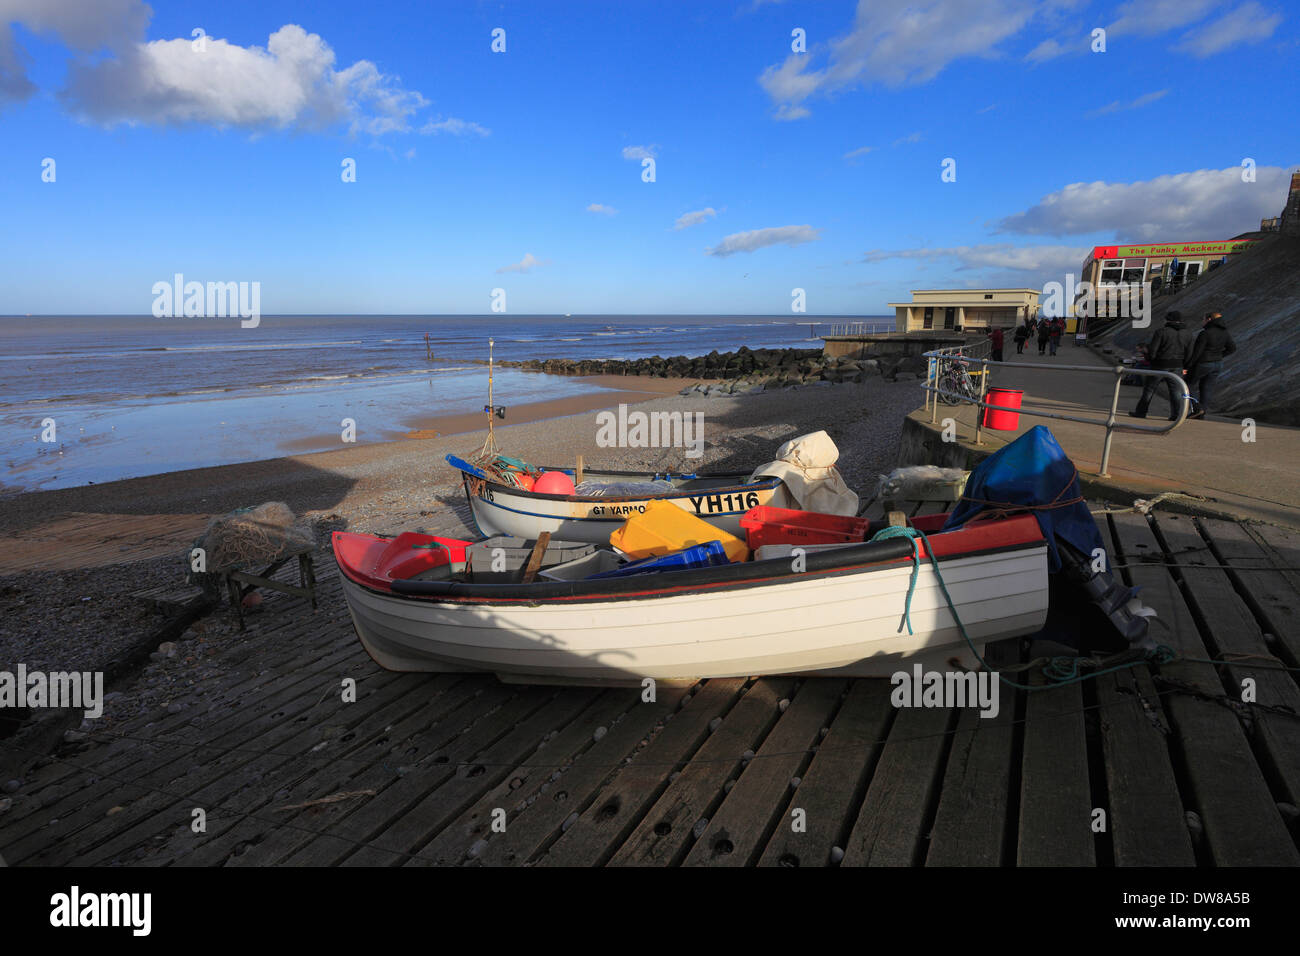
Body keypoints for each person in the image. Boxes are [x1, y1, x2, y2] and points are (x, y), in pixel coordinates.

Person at [1131, 310, 1194, 420]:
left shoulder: (1161, 332)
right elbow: (1189, 352)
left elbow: (1153, 350)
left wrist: (1151, 360)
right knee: (1175, 391)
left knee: (1149, 389)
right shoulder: (1188, 334)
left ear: (1168, 319)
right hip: (1178, 364)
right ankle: (1175, 415)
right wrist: (1185, 365)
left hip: (1160, 364)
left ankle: (1141, 412)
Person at [1185, 310, 1236, 419]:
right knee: (1206, 388)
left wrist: (1187, 366)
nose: (1202, 322)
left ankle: (1197, 408)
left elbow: (1197, 353)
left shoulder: (1205, 333)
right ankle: (1201, 414)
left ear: (1209, 319)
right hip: (1217, 364)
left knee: (1188, 383)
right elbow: (1232, 348)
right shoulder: (1225, 333)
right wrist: (1219, 355)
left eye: (1203, 319)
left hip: (1203, 363)